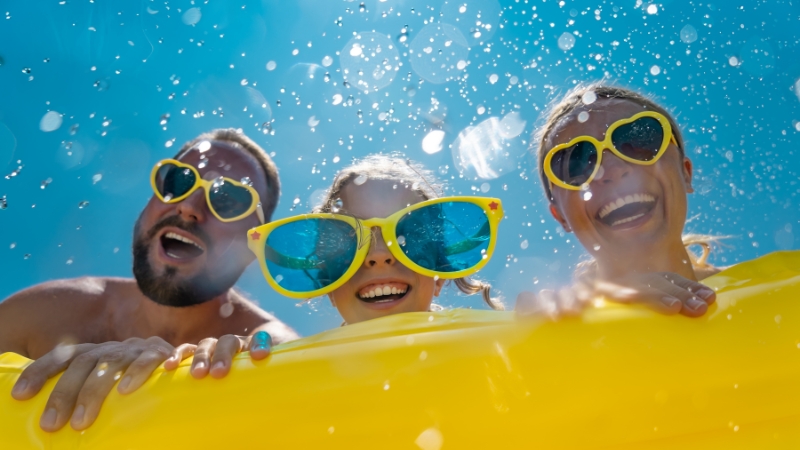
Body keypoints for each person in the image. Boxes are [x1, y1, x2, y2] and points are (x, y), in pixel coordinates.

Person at [3, 129, 298, 431]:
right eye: (177, 181)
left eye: (229, 199)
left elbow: (289, 361)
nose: (189, 206)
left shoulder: (264, 342)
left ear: (254, 245)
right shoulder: (42, 314)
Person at [171, 154, 504, 376]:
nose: (378, 256)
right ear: (329, 284)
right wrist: (231, 371)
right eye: (347, 245)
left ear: (439, 277)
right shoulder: (301, 379)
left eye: (409, 239)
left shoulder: (493, 353)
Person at [517, 83, 719, 317]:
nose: (611, 169)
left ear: (685, 173)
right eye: (576, 163)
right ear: (561, 216)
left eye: (638, 140)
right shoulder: (562, 326)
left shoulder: (769, 287)